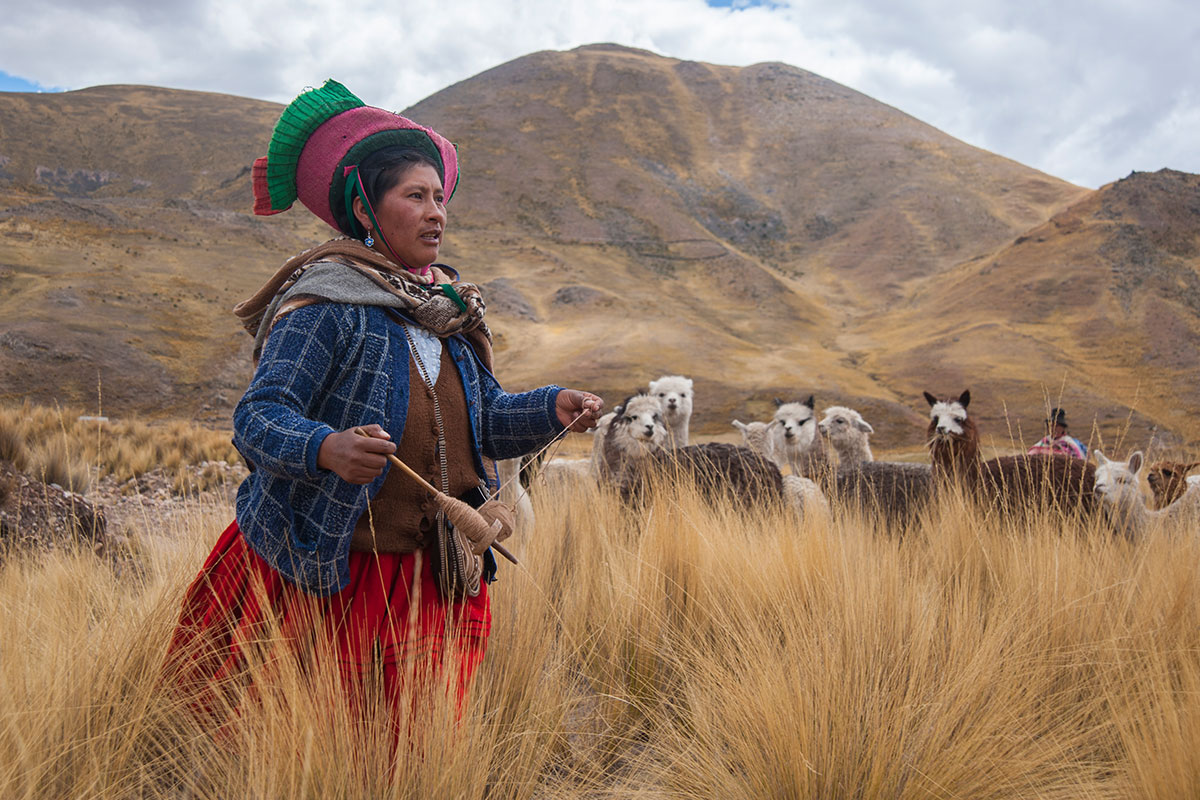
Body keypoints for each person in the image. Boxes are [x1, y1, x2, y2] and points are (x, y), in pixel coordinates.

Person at [166, 80, 603, 723]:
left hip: (435, 572)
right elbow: (257, 418)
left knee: (415, 750)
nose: (437, 214)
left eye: (440, 198)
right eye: (415, 197)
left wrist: (549, 410)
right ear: (368, 212)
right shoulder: (326, 308)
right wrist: (325, 448)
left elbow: (479, 422)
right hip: (335, 568)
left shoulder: (444, 314)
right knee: (308, 740)